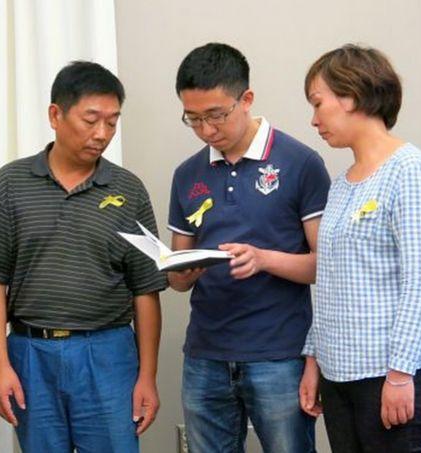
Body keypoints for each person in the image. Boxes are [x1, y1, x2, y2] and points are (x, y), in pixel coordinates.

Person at [0, 61, 166, 453]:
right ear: (55, 115)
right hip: (31, 352)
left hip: (108, 353)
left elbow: (145, 290)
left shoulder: (128, 190)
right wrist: (0, 366)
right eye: (91, 120)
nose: (102, 134)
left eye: (112, 122)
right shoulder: (10, 183)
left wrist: (147, 376)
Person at [168, 43, 331, 453]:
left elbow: (326, 266)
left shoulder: (300, 163)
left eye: (216, 115)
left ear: (247, 99)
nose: (206, 130)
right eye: (193, 119)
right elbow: (177, 278)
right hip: (205, 353)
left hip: (279, 353)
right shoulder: (187, 174)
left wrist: (262, 259)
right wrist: (180, 273)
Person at [299, 44, 421, 453]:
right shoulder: (343, 184)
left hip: (389, 376)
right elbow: (331, 282)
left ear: (351, 95)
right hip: (339, 374)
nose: (314, 119)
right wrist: (313, 359)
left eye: (318, 103)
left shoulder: (409, 171)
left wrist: (400, 374)